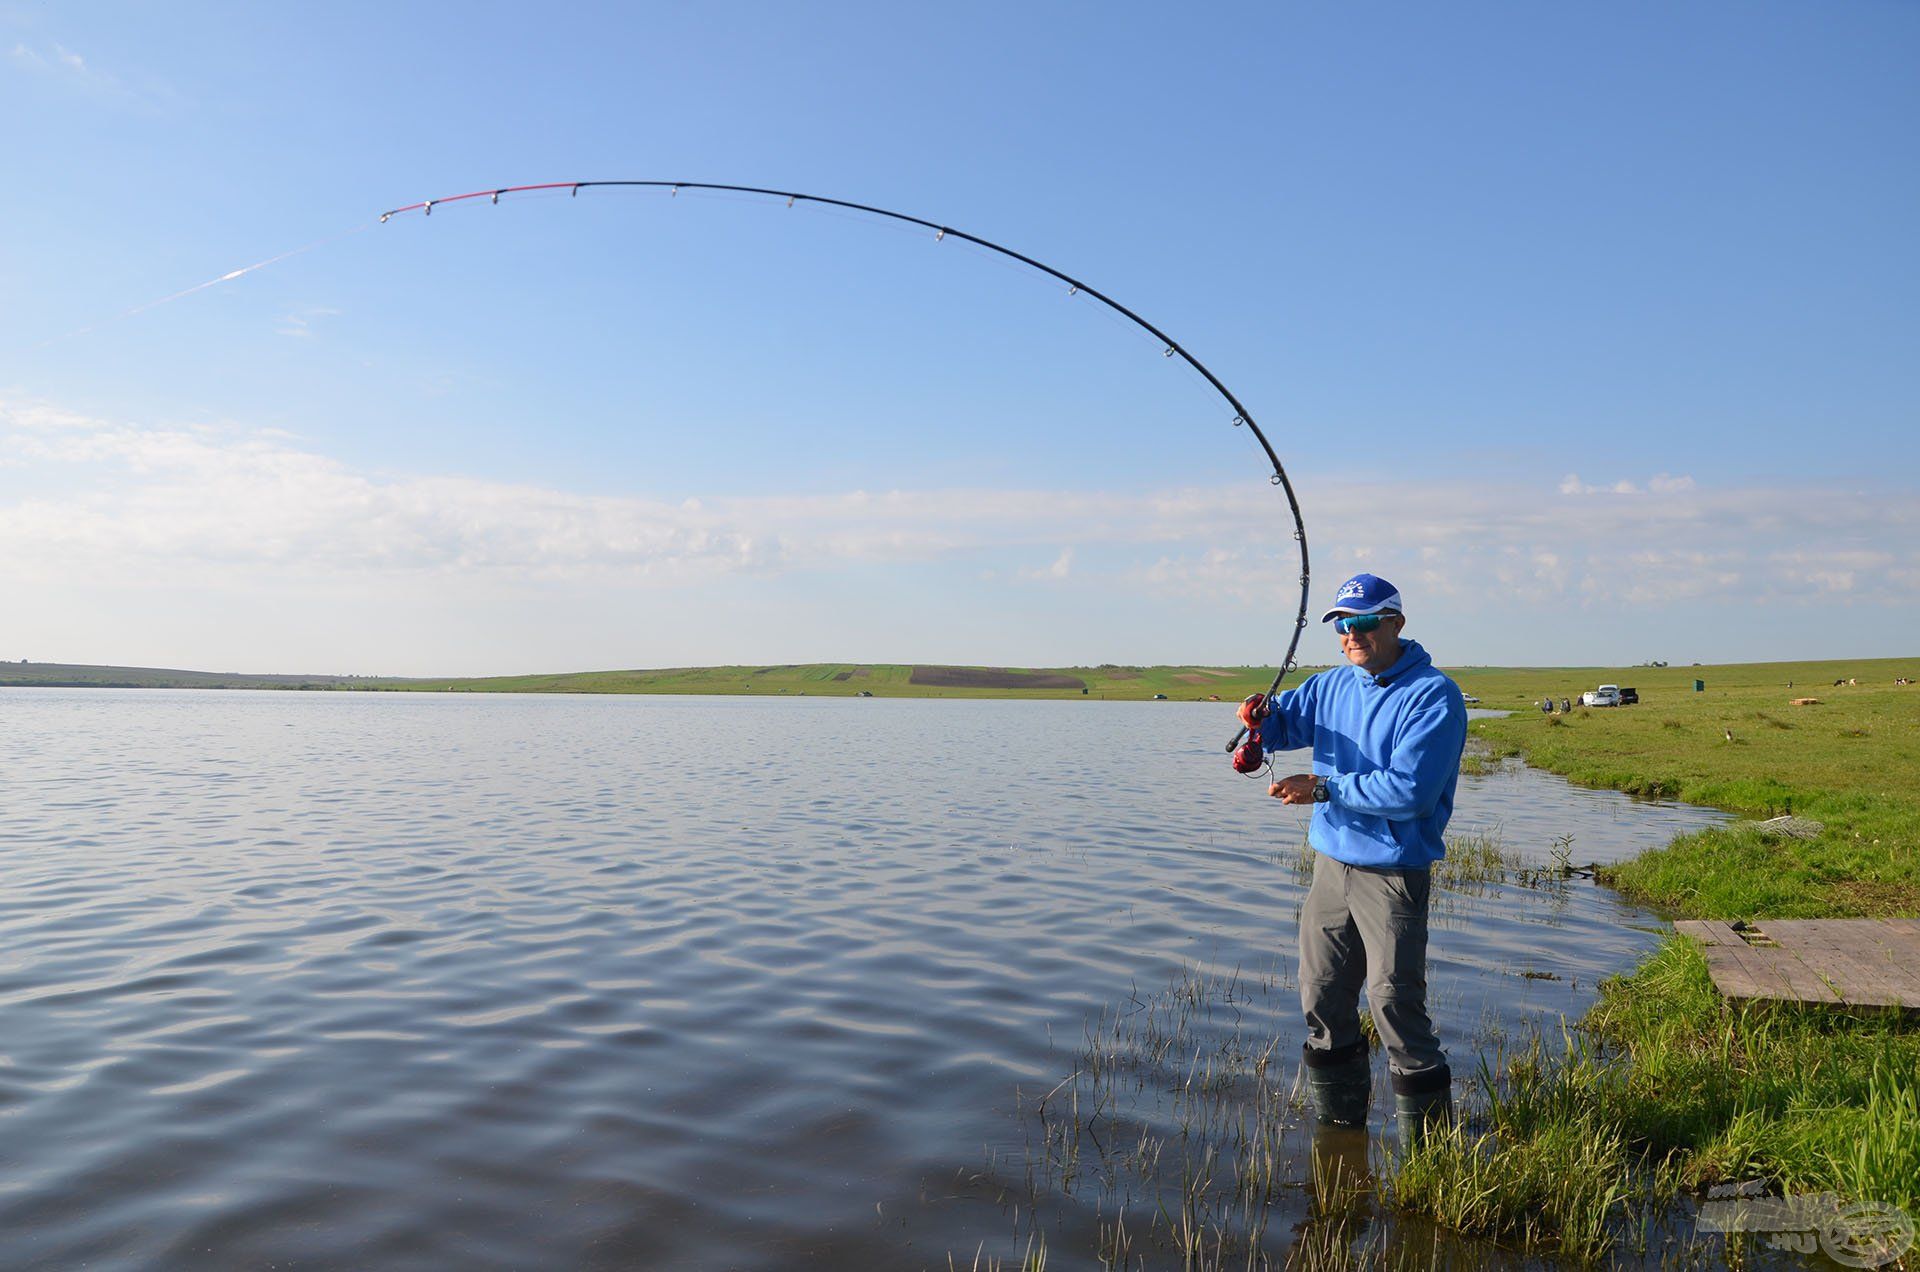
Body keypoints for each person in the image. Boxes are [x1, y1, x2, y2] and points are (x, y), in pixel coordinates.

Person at [1236, 572, 1467, 1148]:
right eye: (1341, 624)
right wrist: (1259, 721)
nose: (1350, 634)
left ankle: (1430, 1158)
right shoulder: (1332, 685)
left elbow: (1410, 792)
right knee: (1320, 998)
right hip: (1329, 868)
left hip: (1393, 871)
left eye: (1362, 622)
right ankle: (1340, 1139)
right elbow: (1284, 723)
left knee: (1394, 1005)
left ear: (1396, 623)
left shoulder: (1434, 696)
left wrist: (1324, 789)